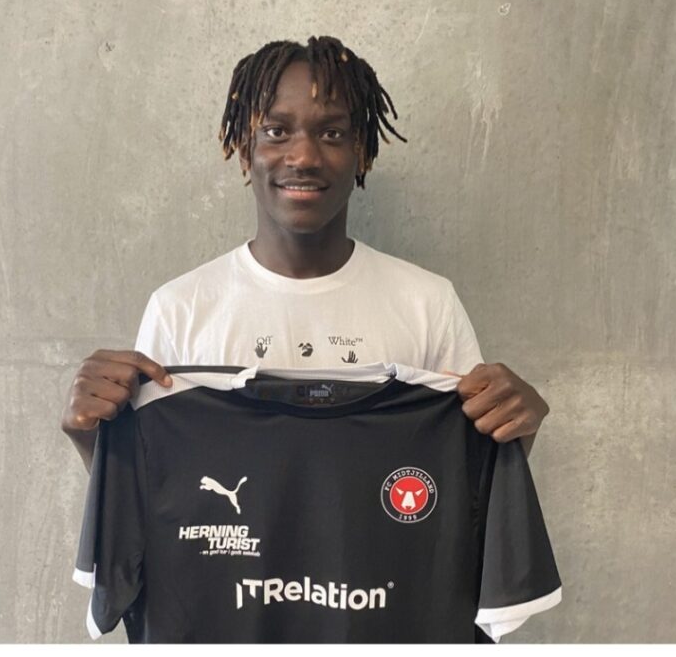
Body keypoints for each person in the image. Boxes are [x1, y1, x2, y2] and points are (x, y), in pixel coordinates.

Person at [60, 36, 549, 476]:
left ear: (361, 151)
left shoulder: (427, 303)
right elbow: (155, 492)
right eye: (276, 131)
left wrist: (516, 435)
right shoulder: (180, 309)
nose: (304, 157)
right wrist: (93, 440)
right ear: (244, 147)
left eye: (331, 133)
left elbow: (465, 484)